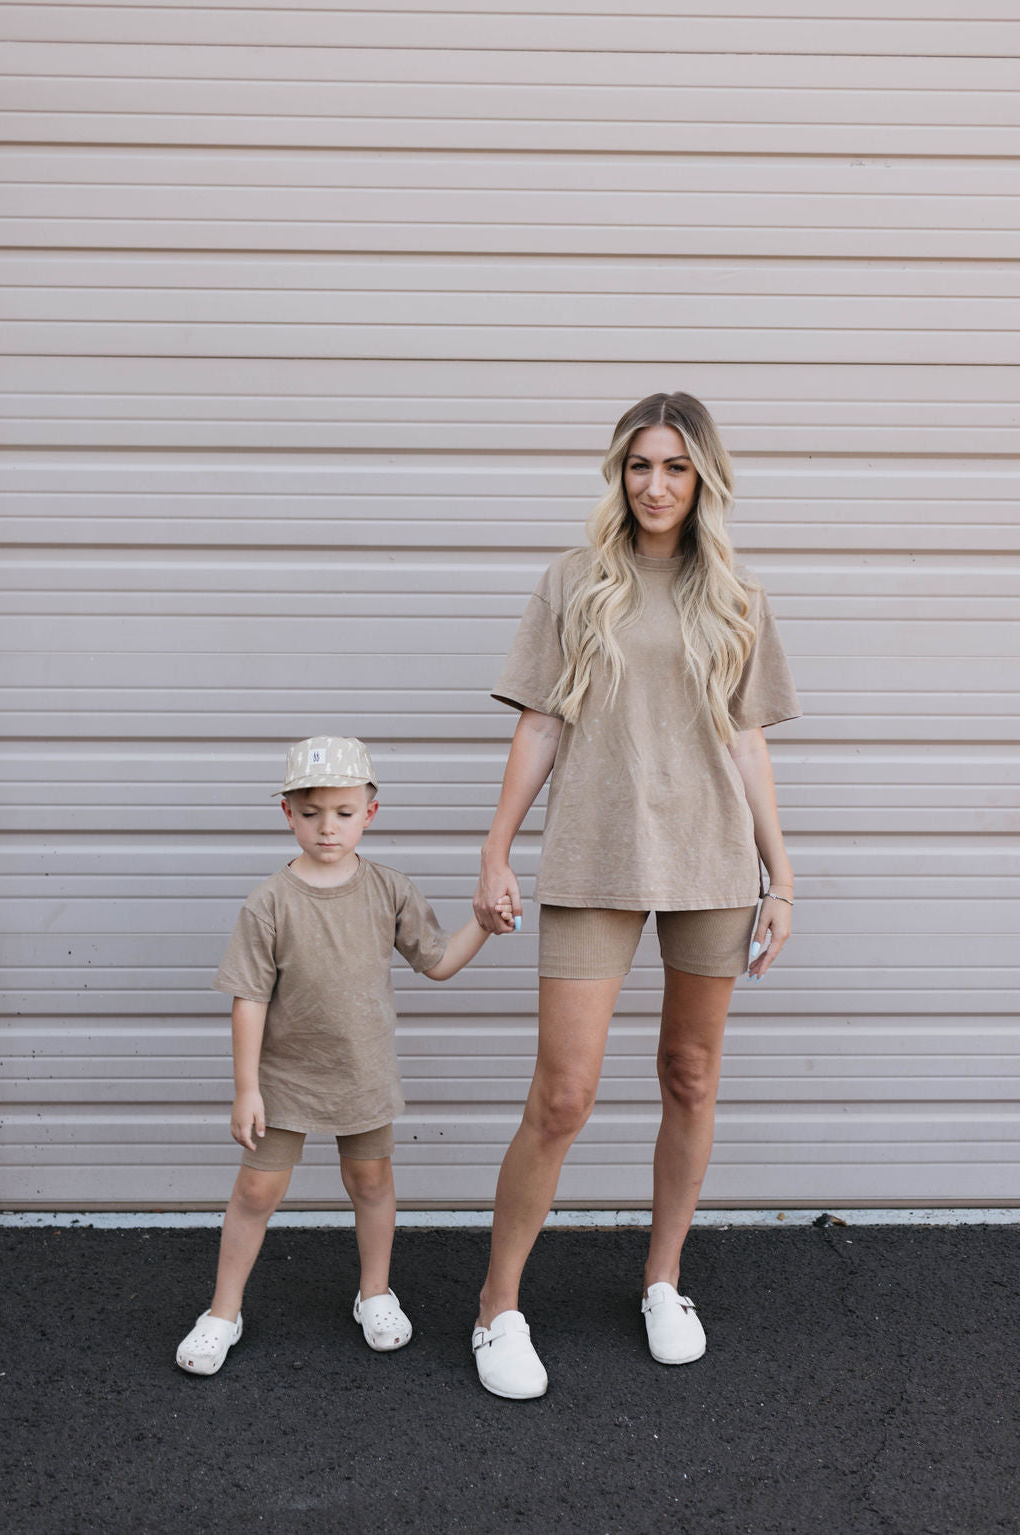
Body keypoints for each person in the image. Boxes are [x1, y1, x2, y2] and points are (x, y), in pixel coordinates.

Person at [470, 392, 801, 1399]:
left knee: (689, 1075)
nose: (654, 485)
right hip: (596, 855)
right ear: (618, 475)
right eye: (638, 466)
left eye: (675, 467)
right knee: (562, 1093)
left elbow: (745, 741)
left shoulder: (735, 593)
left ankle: (663, 1281)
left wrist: (779, 873)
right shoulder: (574, 583)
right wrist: (495, 847)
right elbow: (539, 724)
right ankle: (497, 1307)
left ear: (704, 478)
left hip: (709, 858)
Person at [176, 734, 510, 1375]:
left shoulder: (389, 890)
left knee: (371, 1182)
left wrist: (484, 927)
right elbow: (248, 998)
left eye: (344, 813)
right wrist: (246, 1087)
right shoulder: (269, 903)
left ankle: (375, 1293)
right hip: (284, 1081)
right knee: (255, 1191)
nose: (327, 828)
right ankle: (223, 1310)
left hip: (362, 1076)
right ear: (287, 813)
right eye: (311, 813)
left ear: (370, 812)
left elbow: (437, 962)